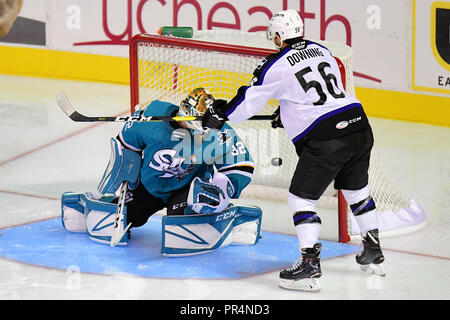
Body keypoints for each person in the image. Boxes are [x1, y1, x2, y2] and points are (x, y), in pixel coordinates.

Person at [202, 9, 385, 291]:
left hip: (328, 138)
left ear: (277, 36)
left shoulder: (275, 64)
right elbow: (318, 92)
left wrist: (220, 113)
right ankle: (373, 248)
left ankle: (309, 265)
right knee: (357, 191)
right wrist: (286, 112)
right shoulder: (321, 50)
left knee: (301, 199)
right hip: (359, 125)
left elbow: (246, 102)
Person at [61, 88, 262, 256]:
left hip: (189, 191)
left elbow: (241, 165)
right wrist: (125, 170)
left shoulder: (220, 130)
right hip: (150, 187)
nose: (201, 133)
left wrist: (222, 190)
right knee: (128, 217)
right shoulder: (152, 116)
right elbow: (127, 142)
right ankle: (84, 206)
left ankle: (232, 221)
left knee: (182, 224)